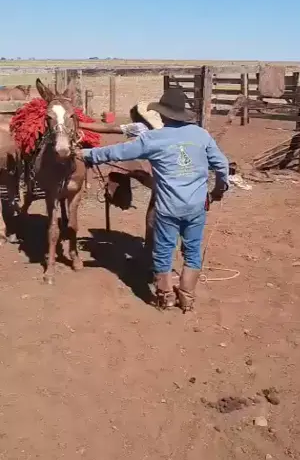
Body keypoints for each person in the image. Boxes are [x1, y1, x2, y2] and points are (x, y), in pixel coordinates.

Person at [80, 87, 229, 312]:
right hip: (198, 205)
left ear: (162, 114)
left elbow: (118, 152)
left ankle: (166, 296)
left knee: (163, 250)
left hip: (168, 207)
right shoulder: (201, 134)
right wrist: (218, 190)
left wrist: (87, 154)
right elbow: (222, 165)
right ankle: (187, 297)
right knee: (192, 250)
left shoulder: (152, 138)